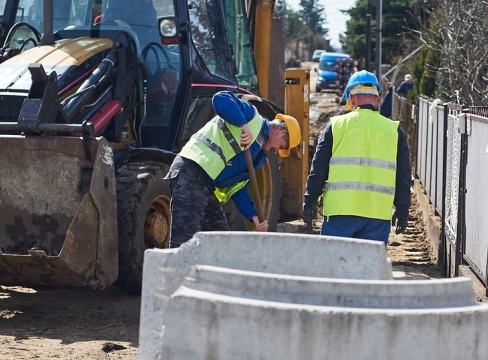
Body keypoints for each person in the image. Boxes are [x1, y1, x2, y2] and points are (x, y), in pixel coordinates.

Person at [167, 92, 301, 246]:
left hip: (205, 185)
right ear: (281, 132)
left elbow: (237, 187)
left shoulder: (258, 155)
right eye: (281, 147)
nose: (277, 151)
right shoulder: (252, 117)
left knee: (221, 242)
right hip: (190, 171)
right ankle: (178, 269)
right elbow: (219, 97)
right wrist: (243, 125)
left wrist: (253, 216)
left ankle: (213, 270)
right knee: (185, 242)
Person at [302, 69, 412, 244]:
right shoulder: (394, 131)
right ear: (377, 101)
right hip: (377, 216)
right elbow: (404, 177)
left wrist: (310, 201)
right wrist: (402, 210)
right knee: (367, 269)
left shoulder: (335, 126)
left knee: (335, 267)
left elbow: (319, 169)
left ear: (351, 99)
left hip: (340, 214)